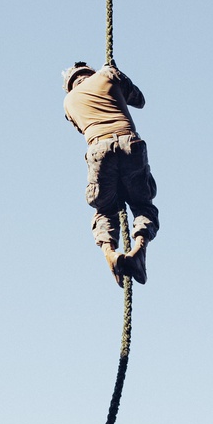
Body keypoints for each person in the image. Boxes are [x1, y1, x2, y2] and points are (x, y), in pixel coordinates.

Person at [63, 62, 159, 287]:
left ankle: (110, 253)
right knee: (142, 205)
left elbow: (80, 126)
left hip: (98, 149)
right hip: (128, 143)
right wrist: (116, 75)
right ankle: (139, 250)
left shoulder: (68, 102)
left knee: (106, 209)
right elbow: (139, 100)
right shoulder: (106, 74)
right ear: (90, 72)